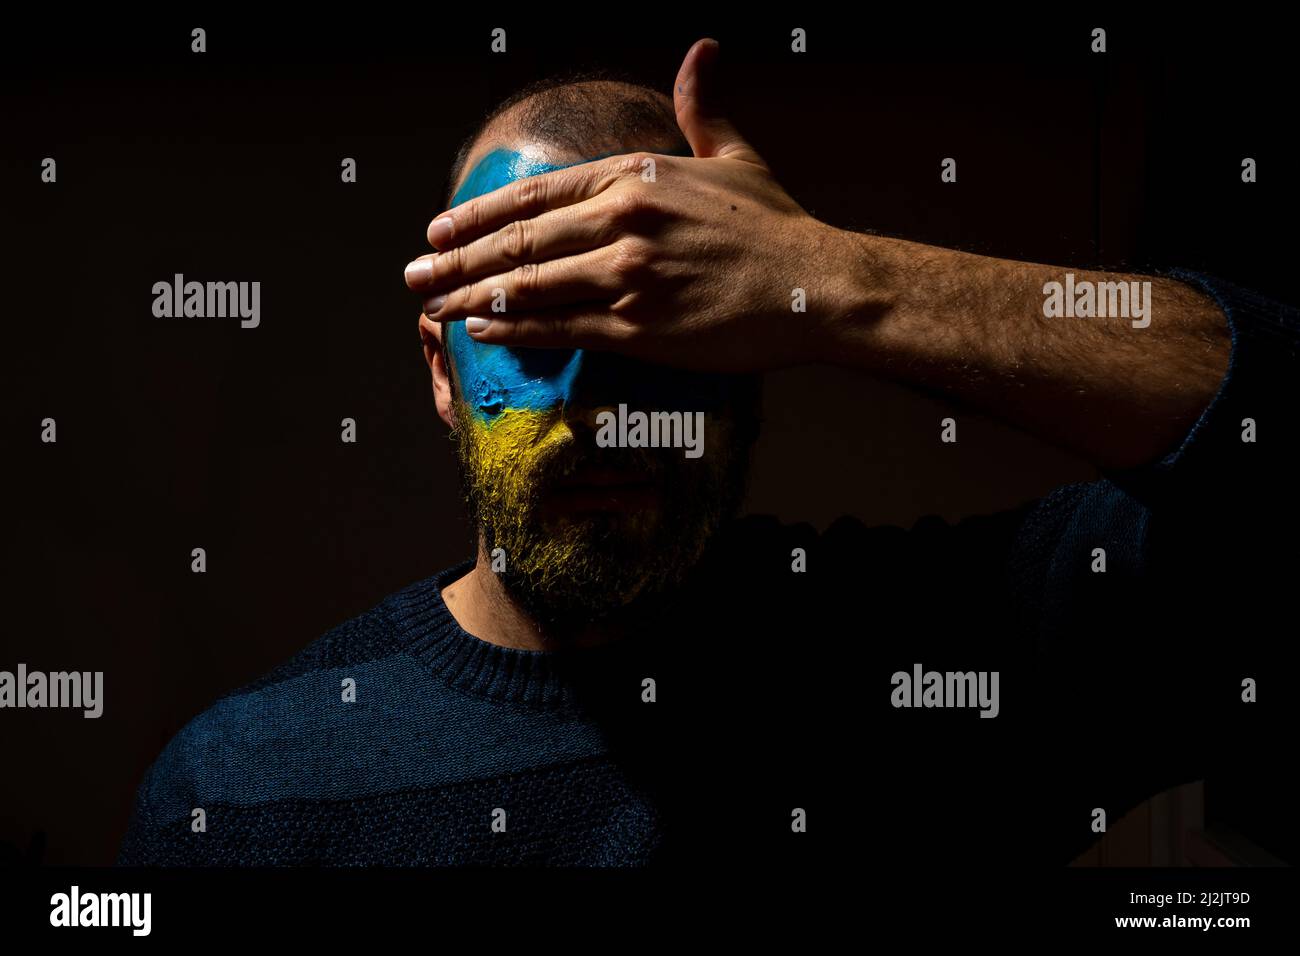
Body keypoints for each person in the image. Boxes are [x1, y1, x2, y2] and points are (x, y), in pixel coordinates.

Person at [118, 40, 1297, 868]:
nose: (600, 411)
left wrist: (841, 279)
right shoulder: (244, 791)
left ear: (752, 342)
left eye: (661, 327)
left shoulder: (940, 670)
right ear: (440, 368)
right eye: (532, 332)